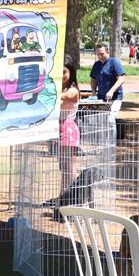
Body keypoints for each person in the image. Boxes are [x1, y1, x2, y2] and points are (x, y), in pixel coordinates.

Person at [58, 59, 81, 197]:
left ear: (71, 72)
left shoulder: (72, 90)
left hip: (68, 129)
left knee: (69, 166)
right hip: (58, 128)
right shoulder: (61, 88)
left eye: (64, 72)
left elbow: (66, 96)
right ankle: (63, 195)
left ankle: (71, 196)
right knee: (63, 166)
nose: (61, 76)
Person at [89, 43, 126, 114]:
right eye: (98, 54)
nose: (99, 56)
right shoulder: (96, 64)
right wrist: (93, 91)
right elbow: (93, 79)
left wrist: (111, 91)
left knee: (110, 119)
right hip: (100, 98)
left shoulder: (114, 62)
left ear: (107, 52)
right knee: (102, 119)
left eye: (102, 54)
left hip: (115, 98)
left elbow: (121, 79)